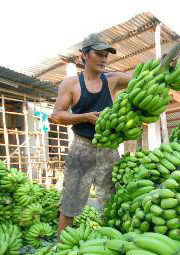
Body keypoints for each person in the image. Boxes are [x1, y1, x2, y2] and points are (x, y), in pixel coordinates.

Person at [50, 33, 132, 241]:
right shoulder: (71, 84)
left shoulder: (113, 79)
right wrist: (85, 118)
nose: (104, 58)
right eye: (99, 54)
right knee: (70, 205)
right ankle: (60, 249)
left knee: (112, 203)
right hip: (82, 148)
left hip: (108, 150)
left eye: (106, 55)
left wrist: (164, 65)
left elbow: (143, 76)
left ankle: (113, 247)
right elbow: (57, 116)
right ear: (85, 55)